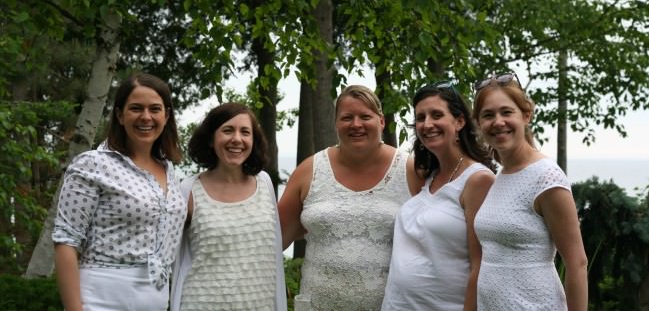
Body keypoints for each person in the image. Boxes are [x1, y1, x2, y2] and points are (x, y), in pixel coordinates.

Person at [278, 84, 423, 311]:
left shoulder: (410, 170)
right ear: (336, 124)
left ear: (381, 121)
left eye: (365, 116)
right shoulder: (309, 170)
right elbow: (275, 240)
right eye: (347, 117)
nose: (356, 124)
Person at [52, 72, 186, 311]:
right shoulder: (93, 164)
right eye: (136, 108)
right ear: (120, 115)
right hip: (100, 301)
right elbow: (66, 241)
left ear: (166, 116)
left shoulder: (170, 172)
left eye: (155, 109)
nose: (146, 117)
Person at [472, 72, 588, 310]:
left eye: (506, 112)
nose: (498, 122)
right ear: (479, 123)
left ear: (526, 115)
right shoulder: (500, 177)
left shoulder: (546, 177)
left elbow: (577, 262)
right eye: (488, 115)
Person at [381, 82, 496, 311]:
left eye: (436, 115)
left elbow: (481, 264)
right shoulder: (428, 176)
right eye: (420, 117)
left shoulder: (477, 180)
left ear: (459, 121)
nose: (427, 124)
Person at [170, 102, 287, 311]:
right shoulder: (188, 190)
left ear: (253, 140)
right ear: (210, 139)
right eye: (227, 130)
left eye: (245, 132)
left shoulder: (265, 184)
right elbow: (169, 257)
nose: (237, 139)